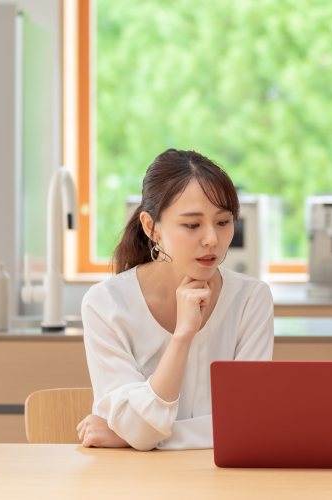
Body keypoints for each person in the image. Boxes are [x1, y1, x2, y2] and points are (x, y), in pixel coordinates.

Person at [77, 149, 274, 451]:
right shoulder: (105, 304)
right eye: (192, 225)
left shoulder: (251, 298)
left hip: (222, 481)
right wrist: (183, 335)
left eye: (223, 222)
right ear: (151, 227)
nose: (212, 239)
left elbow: (250, 425)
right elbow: (142, 432)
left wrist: (133, 436)